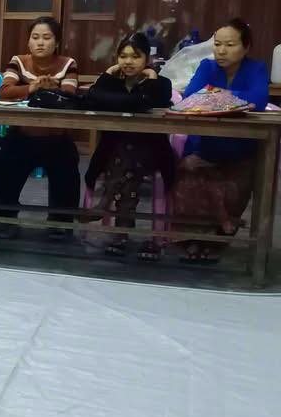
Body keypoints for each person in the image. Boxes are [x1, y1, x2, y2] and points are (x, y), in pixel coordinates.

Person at [170, 18, 269, 263]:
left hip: (240, 150)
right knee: (187, 178)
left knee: (235, 188)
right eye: (217, 44)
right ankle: (193, 237)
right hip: (205, 147)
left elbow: (258, 98)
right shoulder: (207, 66)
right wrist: (232, 99)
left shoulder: (256, 69)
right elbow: (190, 97)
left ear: (246, 47)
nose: (221, 51)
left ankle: (217, 238)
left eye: (230, 44)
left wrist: (213, 95)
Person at [85, 33, 175, 260]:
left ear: (147, 59)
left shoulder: (162, 83)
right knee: (125, 156)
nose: (128, 61)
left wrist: (152, 77)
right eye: (123, 56)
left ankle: (113, 216)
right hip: (115, 151)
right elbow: (92, 98)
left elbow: (150, 100)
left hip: (153, 151)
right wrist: (107, 74)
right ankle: (121, 231)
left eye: (136, 56)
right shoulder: (113, 83)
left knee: (129, 156)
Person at [0, 17, 80, 239]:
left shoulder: (68, 64)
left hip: (56, 136)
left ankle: (60, 221)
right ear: (28, 42)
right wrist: (32, 87)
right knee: (6, 165)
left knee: (68, 165)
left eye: (47, 38)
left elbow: (70, 96)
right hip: (24, 134)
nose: (40, 42)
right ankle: (6, 219)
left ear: (57, 43)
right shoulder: (18, 61)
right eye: (35, 37)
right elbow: (4, 92)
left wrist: (53, 90)